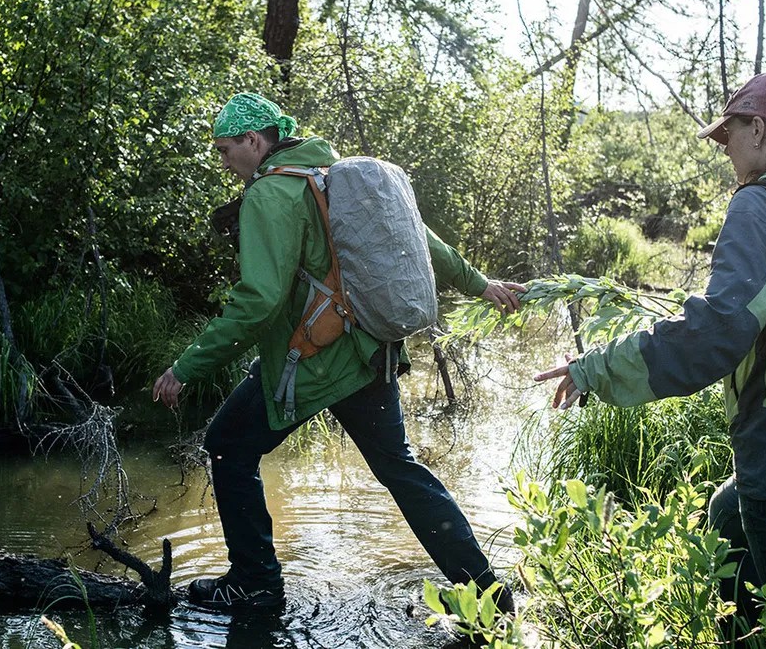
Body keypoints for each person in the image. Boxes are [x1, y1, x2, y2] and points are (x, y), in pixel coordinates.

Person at [534, 73, 766, 648]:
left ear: (760, 128)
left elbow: (714, 335)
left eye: (730, 135)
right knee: (726, 514)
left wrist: (595, 368)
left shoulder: (764, 203)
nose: (727, 151)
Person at [153, 92, 524, 612]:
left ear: (254, 141)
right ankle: (490, 592)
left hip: (312, 360)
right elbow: (419, 239)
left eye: (225, 149)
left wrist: (186, 367)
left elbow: (258, 302)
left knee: (228, 447)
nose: (224, 162)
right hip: (370, 352)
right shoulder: (330, 175)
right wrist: (480, 283)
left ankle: (255, 583)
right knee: (401, 469)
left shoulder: (268, 195)